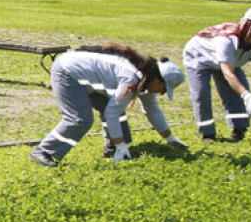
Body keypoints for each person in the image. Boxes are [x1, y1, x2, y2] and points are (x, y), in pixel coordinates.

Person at [29, 44, 187, 167]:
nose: (162, 93)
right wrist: (121, 144)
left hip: (83, 74)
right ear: (158, 80)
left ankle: (113, 150)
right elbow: (112, 112)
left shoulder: (146, 78)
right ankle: (43, 151)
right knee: (80, 119)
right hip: (67, 72)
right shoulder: (132, 78)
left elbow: (152, 110)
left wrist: (170, 138)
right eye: (164, 89)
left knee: (115, 111)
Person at [182, 6, 251, 142]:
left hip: (228, 61)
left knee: (237, 90)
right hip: (199, 56)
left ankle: (239, 129)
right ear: (245, 25)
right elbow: (228, 73)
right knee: (201, 93)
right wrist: (246, 95)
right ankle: (208, 134)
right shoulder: (227, 40)